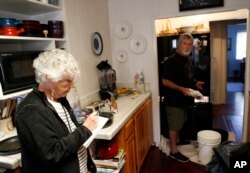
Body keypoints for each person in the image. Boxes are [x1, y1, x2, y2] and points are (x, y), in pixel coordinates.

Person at [15, 49, 99, 173]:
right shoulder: (30, 110)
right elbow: (52, 153)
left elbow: (66, 134)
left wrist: (87, 167)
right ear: (48, 79)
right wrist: (84, 130)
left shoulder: (59, 99)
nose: (71, 87)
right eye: (66, 82)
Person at [162, 33, 204, 162]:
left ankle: (178, 141)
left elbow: (186, 77)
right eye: (185, 43)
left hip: (184, 100)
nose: (187, 46)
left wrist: (195, 83)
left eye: (190, 44)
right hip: (174, 100)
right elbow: (165, 81)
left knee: (180, 122)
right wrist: (181, 89)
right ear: (178, 44)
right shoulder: (172, 60)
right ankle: (174, 150)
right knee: (174, 126)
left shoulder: (186, 58)